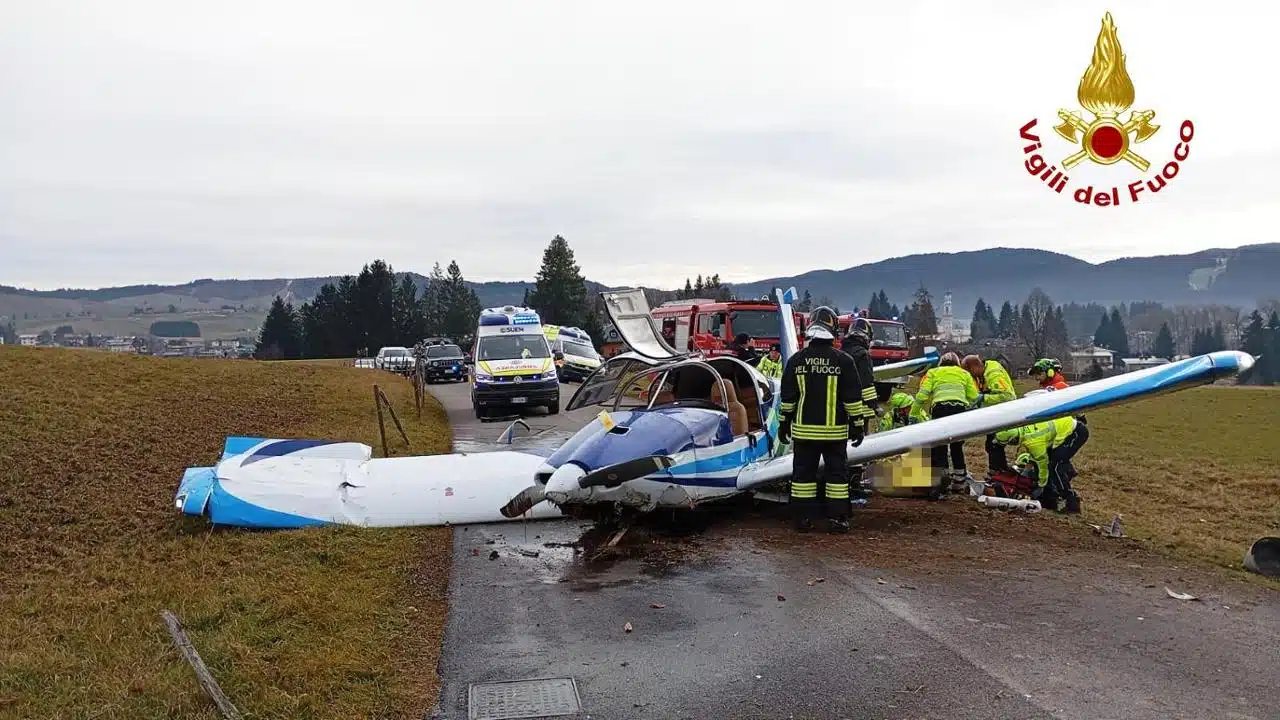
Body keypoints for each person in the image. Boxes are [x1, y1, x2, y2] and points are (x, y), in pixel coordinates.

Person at [778, 306, 866, 533]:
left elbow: (788, 398)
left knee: (802, 475)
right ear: (834, 331)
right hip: (834, 433)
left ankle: (802, 517)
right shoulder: (844, 361)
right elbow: (853, 399)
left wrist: (783, 423)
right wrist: (857, 425)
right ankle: (837, 518)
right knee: (837, 475)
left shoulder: (797, 360)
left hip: (803, 432)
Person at [911, 352, 980, 491]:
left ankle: (942, 480)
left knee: (940, 445)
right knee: (956, 445)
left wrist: (913, 414)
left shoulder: (932, 372)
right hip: (959, 410)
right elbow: (974, 396)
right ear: (957, 363)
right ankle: (960, 480)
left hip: (940, 409)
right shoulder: (964, 374)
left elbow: (922, 395)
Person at [993, 414, 1088, 513]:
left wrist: (1041, 485)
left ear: (1013, 439)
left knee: (1055, 467)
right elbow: (1035, 458)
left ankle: (1072, 502)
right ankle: (1051, 499)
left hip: (1075, 432)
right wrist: (1026, 472)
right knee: (1053, 464)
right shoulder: (1024, 428)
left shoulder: (1033, 443)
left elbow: (1042, 465)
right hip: (1062, 433)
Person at [962, 354, 1018, 474]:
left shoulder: (993, 373)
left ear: (975, 366)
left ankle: (997, 472)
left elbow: (1007, 396)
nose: (970, 376)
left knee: (994, 444)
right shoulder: (983, 373)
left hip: (1004, 412)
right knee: (991, 444)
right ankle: (998, 471)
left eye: (969, 372)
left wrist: (983, 398)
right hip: (996, 414)